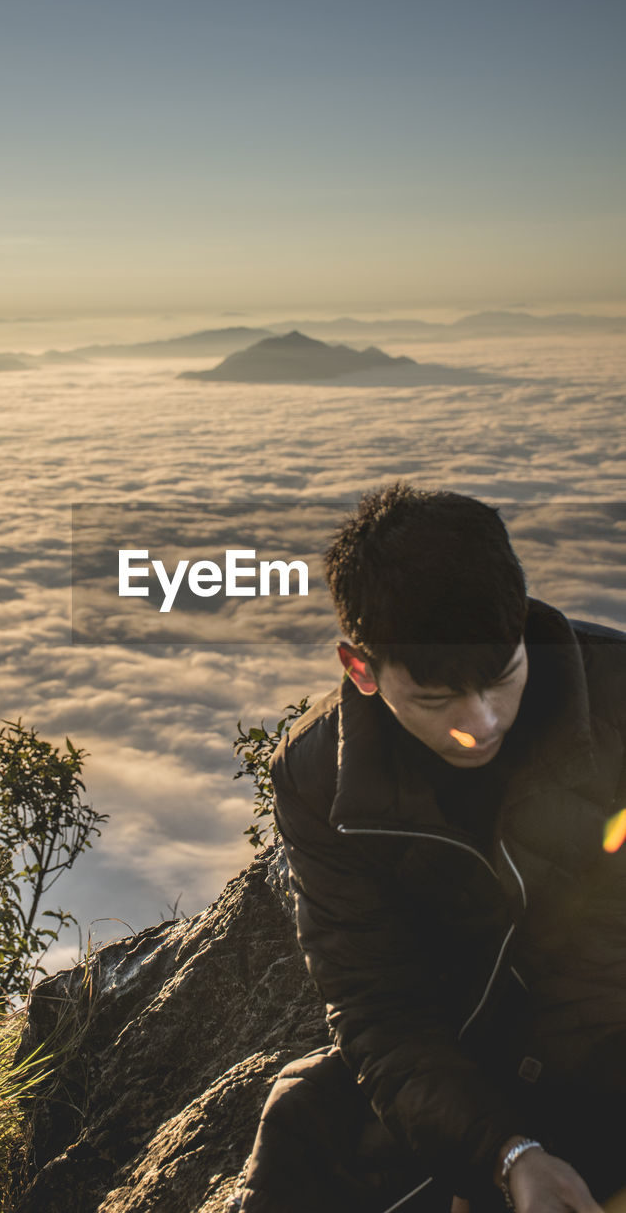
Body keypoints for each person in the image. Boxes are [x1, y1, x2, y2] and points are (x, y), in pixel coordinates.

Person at [237, 483, 626, 1213]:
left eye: (500, 678)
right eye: (434, 699)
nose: (477, 724)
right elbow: (376, 1005)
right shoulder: (316, 776)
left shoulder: (619, 701)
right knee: (299, 1131)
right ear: (360, 669)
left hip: (607, 1047)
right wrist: (507, 1155)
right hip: (468, 1067)